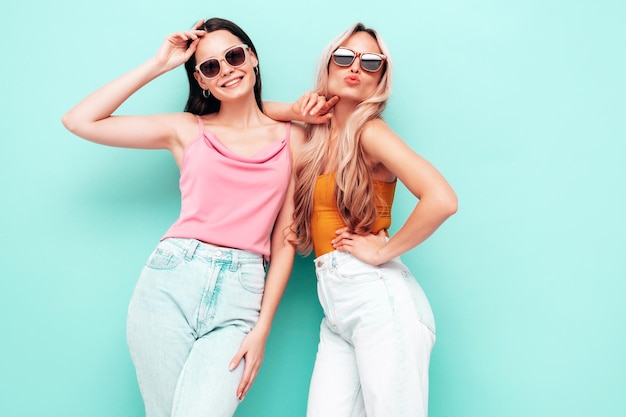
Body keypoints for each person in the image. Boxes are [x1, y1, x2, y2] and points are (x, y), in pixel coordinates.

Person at [62, 17, 305, 417]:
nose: (226, 69)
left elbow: (287, 237)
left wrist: (262, 328)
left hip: (242, 293)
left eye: (234, 55)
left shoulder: (293, 136)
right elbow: (79, 120)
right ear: (201, 80)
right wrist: (159, 64)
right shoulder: (185, 130)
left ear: (253, 58)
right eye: (211, 66)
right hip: (170, 281)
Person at [264, 23, 458, 417]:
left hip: (380, 301)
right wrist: (296, 110)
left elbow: (442, 199)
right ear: (328, 67)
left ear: (380, 79)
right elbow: (250, 114)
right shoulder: (317, 138)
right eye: (344, 57)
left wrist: (384, 250)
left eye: (370, 62)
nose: (355, 67)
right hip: (337, 308)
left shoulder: (370, 132)